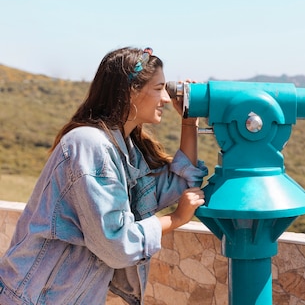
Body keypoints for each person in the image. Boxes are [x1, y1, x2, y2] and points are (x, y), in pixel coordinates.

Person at [0, 47, 208, 305]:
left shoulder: (125, 150)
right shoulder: (91, 145)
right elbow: (116, 245)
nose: (166, 98)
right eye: (158, 88)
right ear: (130, 91)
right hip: (35, 298)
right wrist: (176, 219)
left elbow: (178, 184)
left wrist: (189, 120)